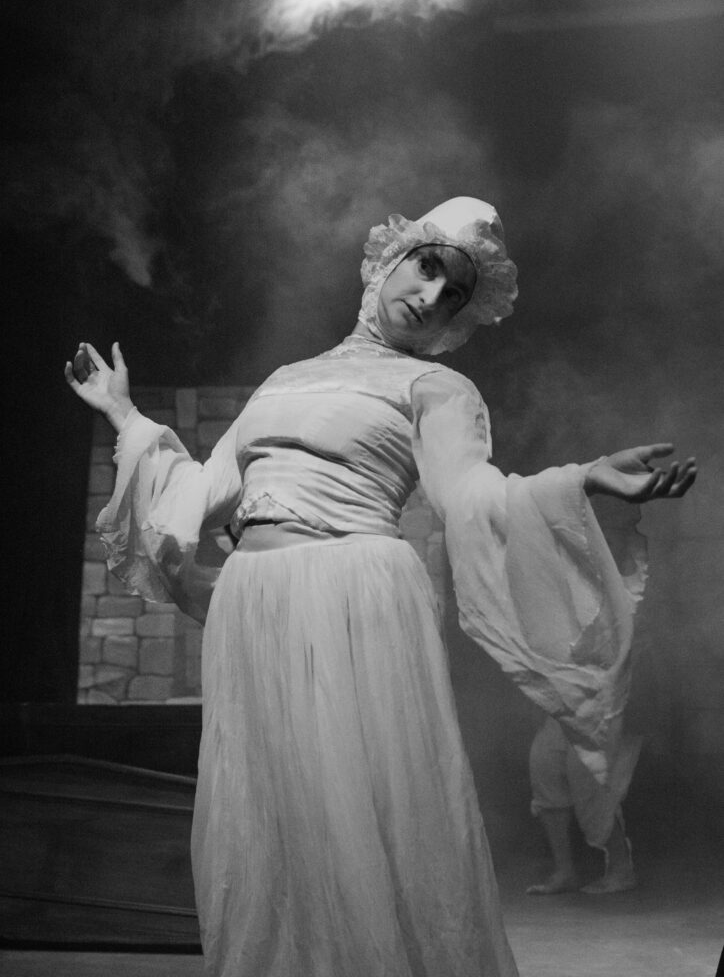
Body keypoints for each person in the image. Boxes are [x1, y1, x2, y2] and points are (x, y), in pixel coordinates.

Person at [65, 196, 696, 977]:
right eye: (427, 269)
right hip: (255, 601)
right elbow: (203, 493)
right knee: (268, 818)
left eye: (453, 294)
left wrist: (585, 479)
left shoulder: (437, 388)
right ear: (390, 261)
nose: (431, 296)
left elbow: (473, 495)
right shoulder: (285, 380)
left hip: (353, 595)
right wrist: (124, 413)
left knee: (359, 814)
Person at [527, 715, 641, 895]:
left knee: (589, 781)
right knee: (545, 764)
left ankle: (621, 869)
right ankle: (564, 872)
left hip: (602, 710)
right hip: (561, 707)